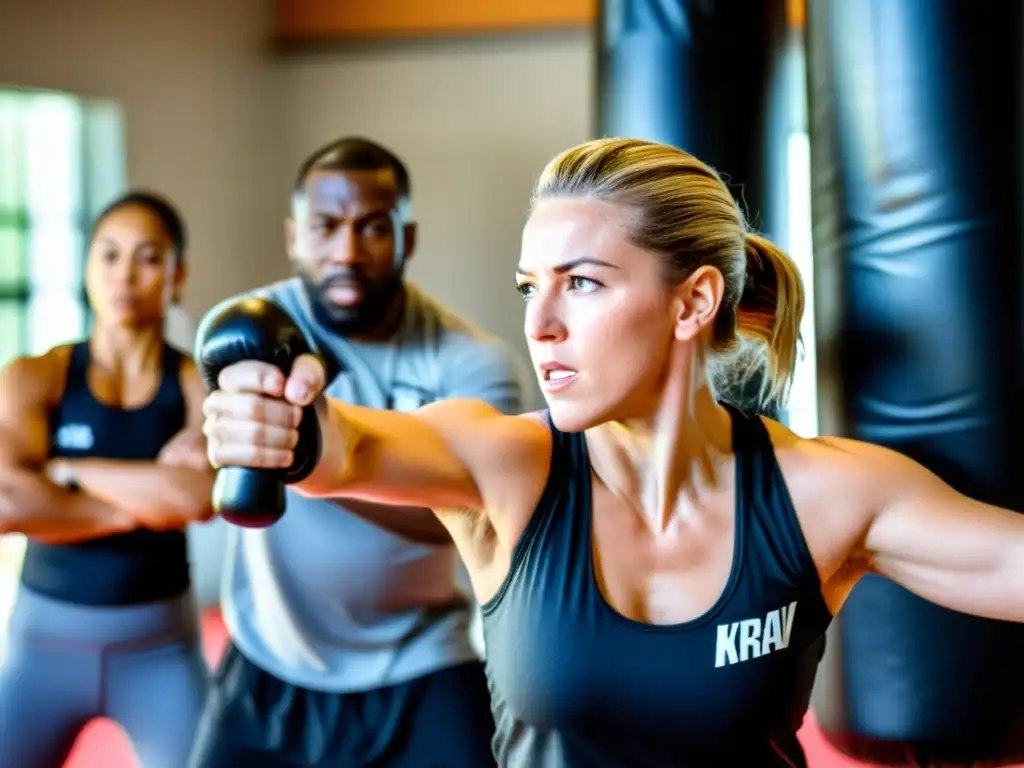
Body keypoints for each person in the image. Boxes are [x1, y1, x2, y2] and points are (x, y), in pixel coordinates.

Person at [201, 136, 1024, 767]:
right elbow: (350, 445)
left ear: (695, 300)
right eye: (532, 286)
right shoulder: (507, 470)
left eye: (582, 282)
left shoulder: (822, 494)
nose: (539, 322)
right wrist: (286, 425)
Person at [188, 137, 523, 768]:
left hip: (420, 662)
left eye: (373, 228)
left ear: (408, 238)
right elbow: (199, 455)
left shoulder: (468, 360)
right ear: (294, 235)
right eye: (326, 227)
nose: (347, 251)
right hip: (268, 660)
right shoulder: (250, 333)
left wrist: (317, 459)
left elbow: (476, 519)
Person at [0, 191, 215, 767]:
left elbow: (196, 498)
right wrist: (142, 502)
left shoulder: (197, 382)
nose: (126, 274)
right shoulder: (35, 375)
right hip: (41, 650)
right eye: (110, 255)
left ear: (177, 274)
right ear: (88, 267)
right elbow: (6, 502)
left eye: (148, 257)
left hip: (162, 652)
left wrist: (66, 473)